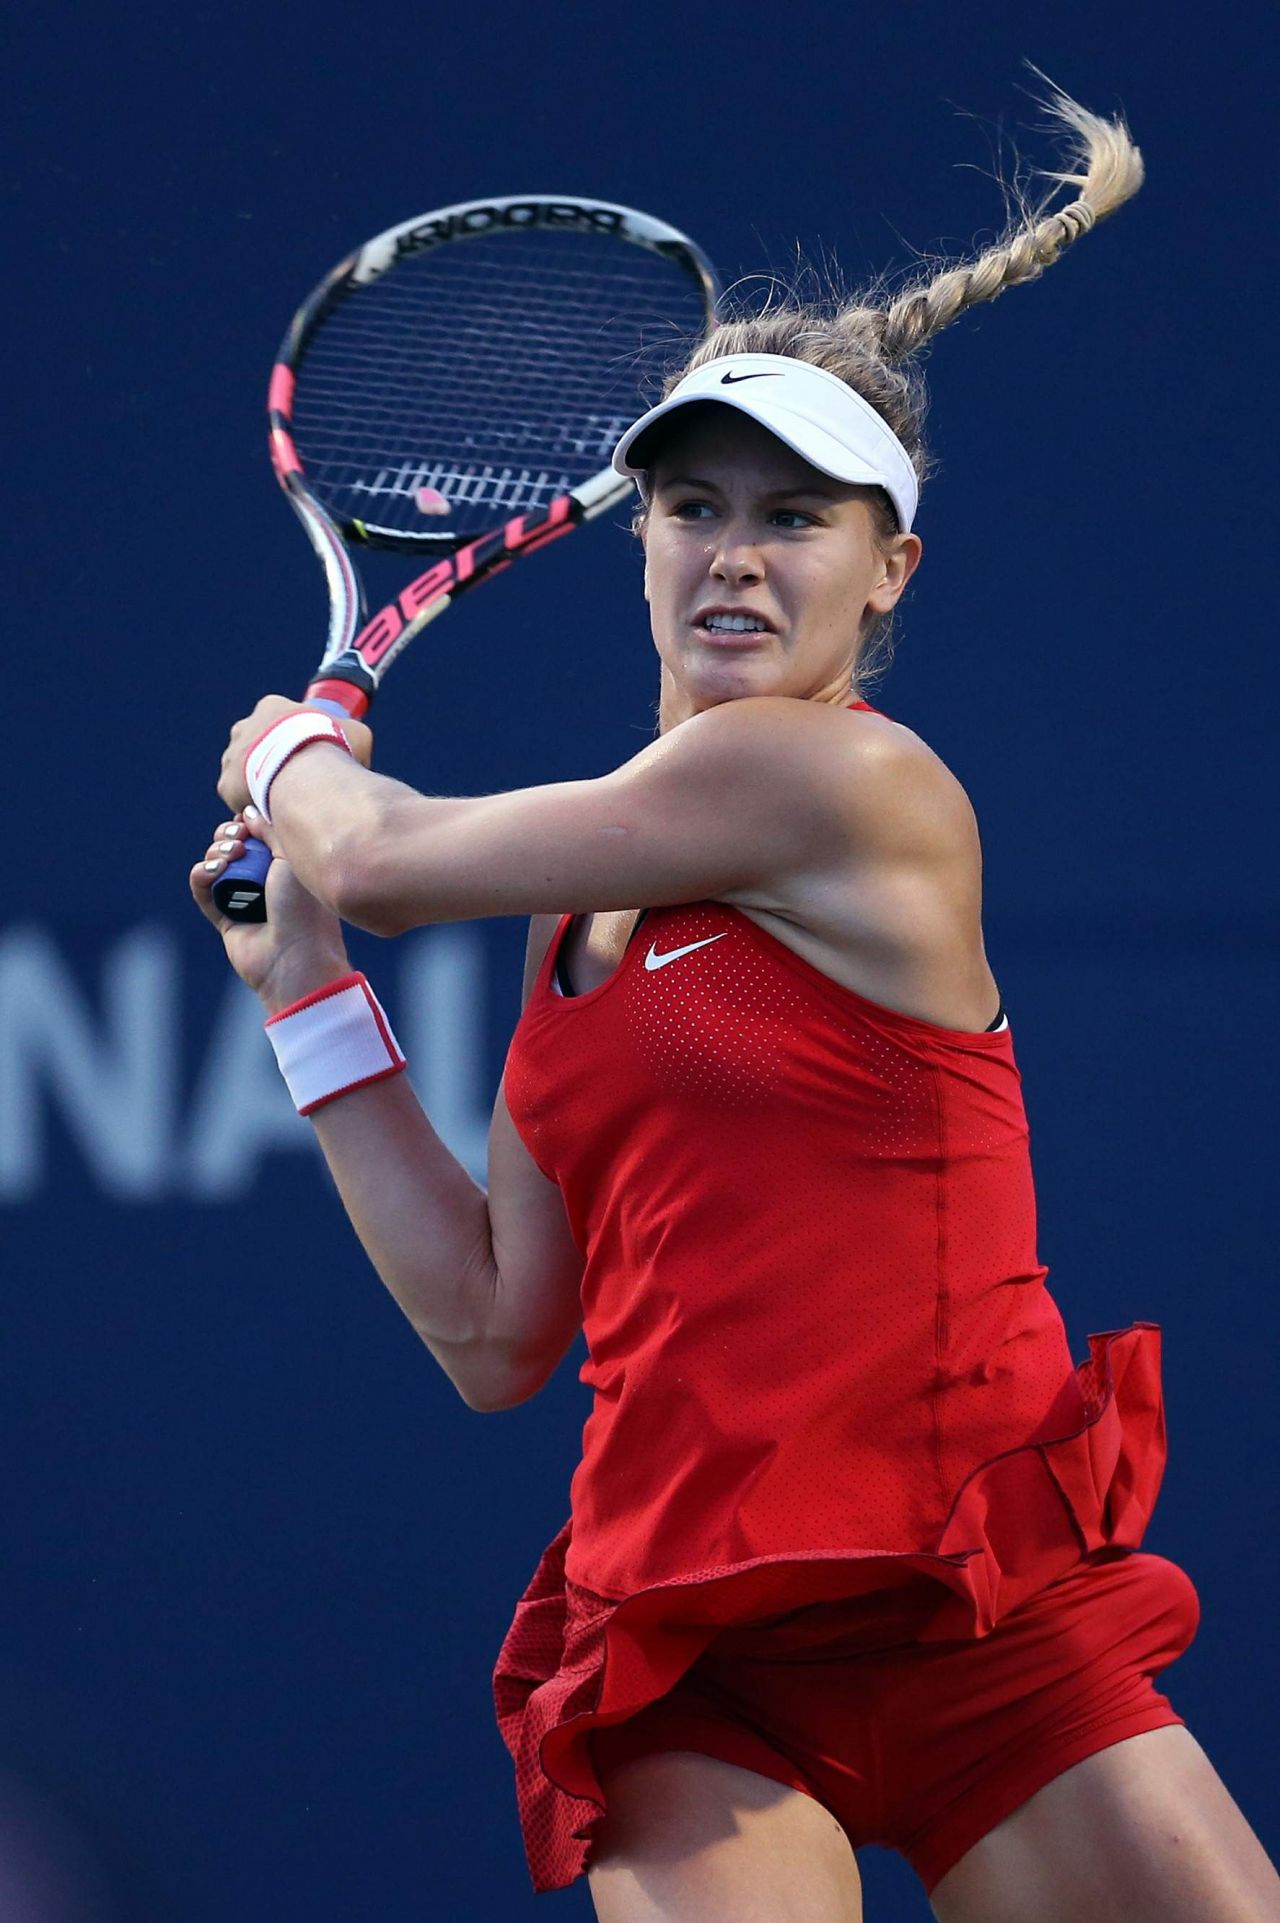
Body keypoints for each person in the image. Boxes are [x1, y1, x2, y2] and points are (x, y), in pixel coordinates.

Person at [193, 83, 1280, 1923]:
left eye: (798, 517)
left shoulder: (847, 788)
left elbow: (372, 852)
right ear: (637, 541)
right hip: (700, 1655)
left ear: (891, 570)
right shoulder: (574, 937)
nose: (737, 554)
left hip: (970, 1604)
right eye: (692, 506)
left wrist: (291, 755)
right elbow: (490, 1331)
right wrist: (305, 991)